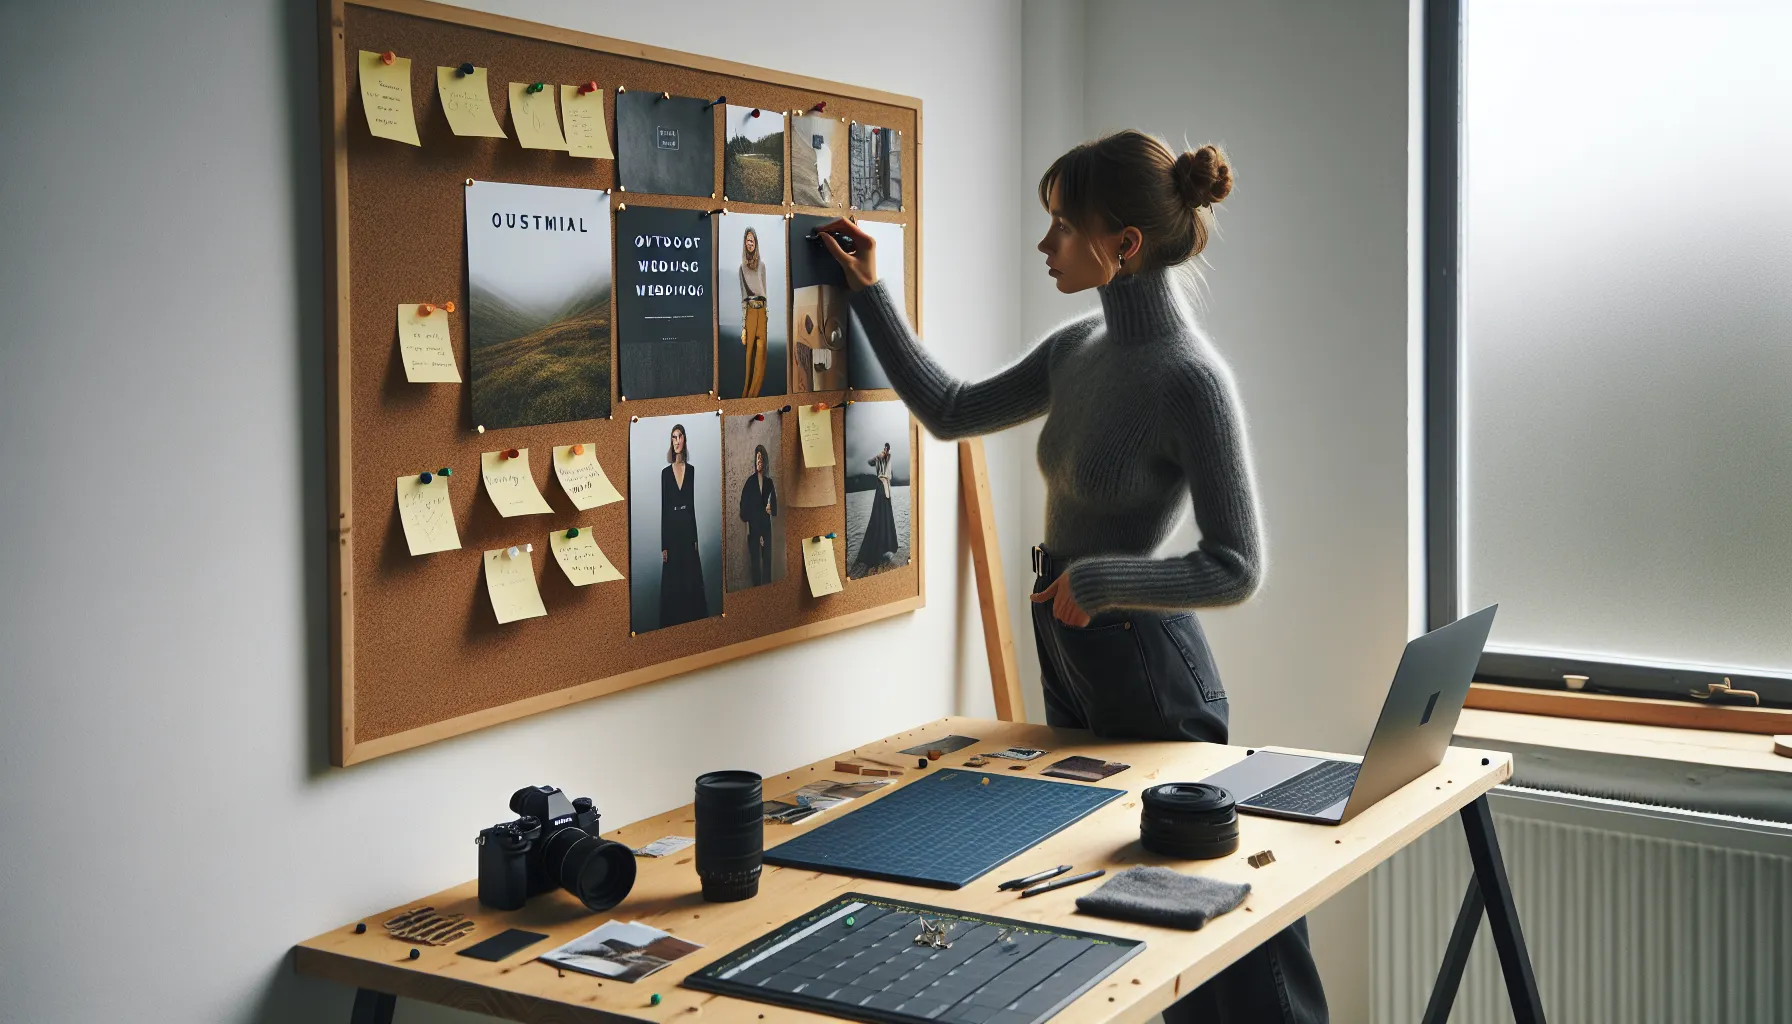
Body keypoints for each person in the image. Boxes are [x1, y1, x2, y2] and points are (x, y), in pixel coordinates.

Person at [818, 130, 1327, 1023]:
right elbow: (950, 410)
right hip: (1071, 643)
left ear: (1122, 244)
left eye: (1061, 225)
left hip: (1146, 661)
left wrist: (1101, 585)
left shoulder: (1191, 380)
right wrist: (869, 294)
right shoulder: (1076, 350)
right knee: (1118, 894)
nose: (1044, 244)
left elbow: (1236, 565)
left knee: (1205, 905)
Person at [659, 423, 708, 627]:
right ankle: (673, 621)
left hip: (688, 528)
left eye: (679, 437)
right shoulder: (664, 473)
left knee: (690, 574)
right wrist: (664, 544)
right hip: (672, 528)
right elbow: (664, 508)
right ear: (671, 442)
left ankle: (692, 619)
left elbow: (692, 506)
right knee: (674, 576)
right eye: (673, 437)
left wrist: (695, 537)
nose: (677, 441)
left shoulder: (692, 470)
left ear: (684, 440)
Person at [853, 442, 899, 571]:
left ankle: (886, 545)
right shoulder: (880, 458)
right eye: (885, 448)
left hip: (886, 487)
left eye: (887, 449)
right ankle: (876, 546)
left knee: (886, 515)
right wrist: (878, 456)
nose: (886, 450)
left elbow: (889, 458)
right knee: (878, 514)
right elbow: (869, 462)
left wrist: (885, 454)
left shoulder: (889, 457)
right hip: (880, 486)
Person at [738, 443, 778, 585]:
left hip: (766, 529)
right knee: (756, 567)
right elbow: (743, 509)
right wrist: (753, 516)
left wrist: (770, 508)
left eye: (761, 458)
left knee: (767, 564)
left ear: (765, 461)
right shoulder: (750, 483)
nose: (759, 461)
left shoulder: (769, 482)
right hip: (754, 531)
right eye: (757, 458)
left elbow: (774, 506)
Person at [738, 227, 769, 398]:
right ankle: (745, 395)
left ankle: (754, 394)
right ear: (745, 243)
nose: (750, 243)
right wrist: (743, 326)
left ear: (756, 243)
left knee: (761, 354)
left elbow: (765, 291)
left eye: (753, 240)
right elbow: (743, 297)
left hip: (762, 311)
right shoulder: (742, 268)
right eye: (748, 240)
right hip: (750, 311)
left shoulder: (762, 266)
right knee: (748, 355)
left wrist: (766, 315)